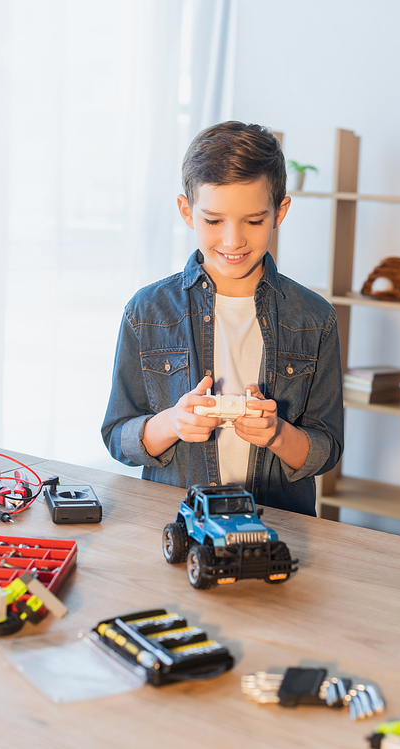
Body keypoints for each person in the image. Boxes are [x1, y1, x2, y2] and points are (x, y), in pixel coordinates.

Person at [101, 121, 343, 515]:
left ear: (280, 212)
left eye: (253, 220)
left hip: (279, 530)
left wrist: (278, 433)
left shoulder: (316, 319)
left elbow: (327, 449)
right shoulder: (146, 312)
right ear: (186, 211)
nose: (233, 241)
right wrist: (173, 423)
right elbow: (118, 436)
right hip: (180, 525)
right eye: (213, 221)